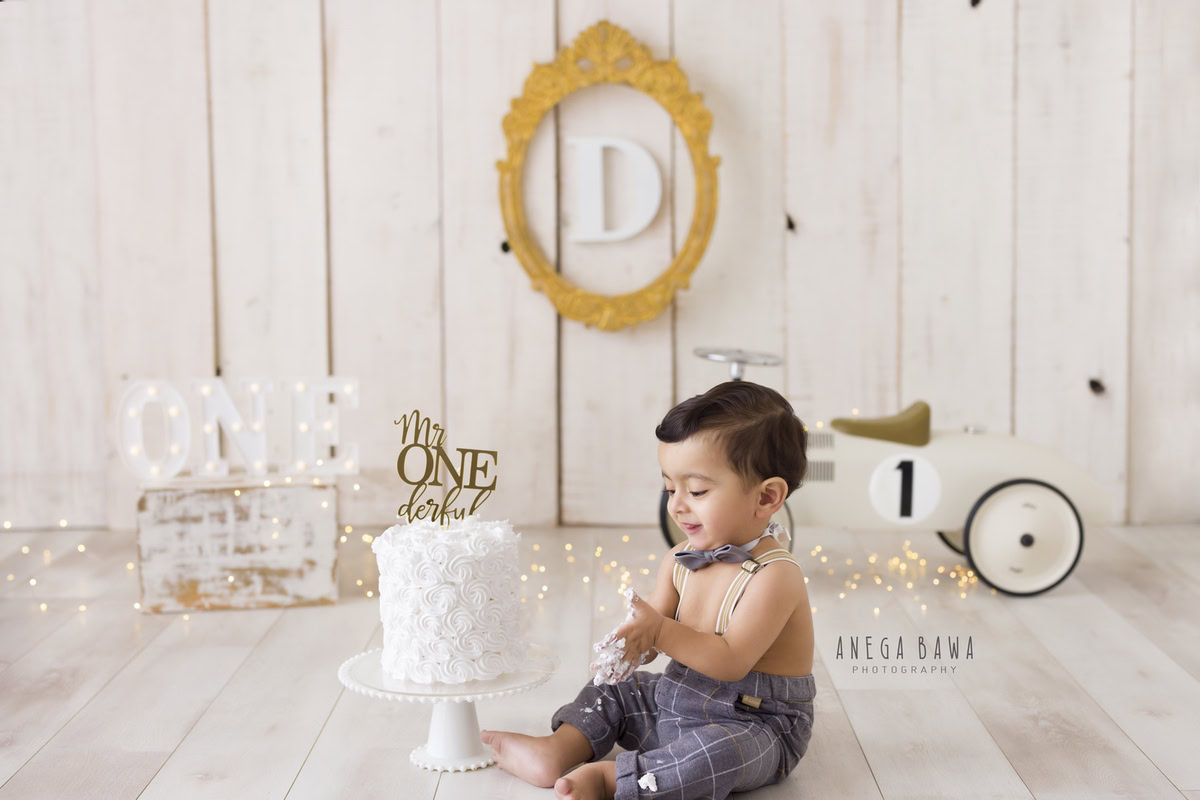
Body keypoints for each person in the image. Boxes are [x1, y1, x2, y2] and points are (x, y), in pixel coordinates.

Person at [481, 380, 815, 800]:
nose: (677, 505)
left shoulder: (775, 575)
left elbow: (730, 661)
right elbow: (654, 633)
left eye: (696, 491)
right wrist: (634, 642)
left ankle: (614, 778)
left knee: (719, 755)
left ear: (767, 497)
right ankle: (560, 748)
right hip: (677, 703)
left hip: (753, 722)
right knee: (623, 689)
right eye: (670, 489)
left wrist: (658, 631)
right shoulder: (680, 559)